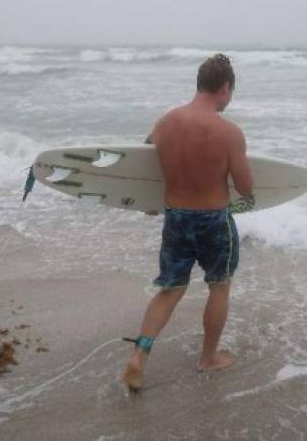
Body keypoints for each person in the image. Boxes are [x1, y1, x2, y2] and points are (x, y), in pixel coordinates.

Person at [122, 53, 254, 391]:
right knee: (219, 285)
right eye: (231, 92)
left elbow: (145, 164)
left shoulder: (164, 124)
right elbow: (245, 187)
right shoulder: (229, 133)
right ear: (225, 88)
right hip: (213, 221)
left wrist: (150, 204)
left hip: (176, 218)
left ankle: (139, 356)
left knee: (170, 290)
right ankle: (208, 358)